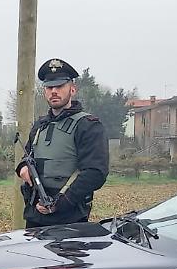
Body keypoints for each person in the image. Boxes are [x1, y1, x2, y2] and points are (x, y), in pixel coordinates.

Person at [15, 58, 109, 228]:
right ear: (44, 91)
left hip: (70, 219)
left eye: (60, 87)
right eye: (49, 87)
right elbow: (28, 155)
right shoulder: (40, 125)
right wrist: (22, 167)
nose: (54, 91)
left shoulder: (88, 125)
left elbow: (95, 173)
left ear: (72, 89)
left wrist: (60, 203)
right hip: (35, 217)